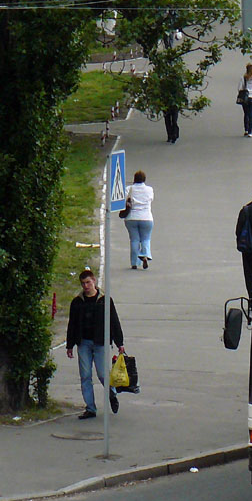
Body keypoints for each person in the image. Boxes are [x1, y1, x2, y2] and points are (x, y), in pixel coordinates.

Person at [66, 269, 125, 419]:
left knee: (103, 374)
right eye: (83, 283)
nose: (86, 286)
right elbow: (72, 324)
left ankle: (111, 393)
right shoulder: (77, 302)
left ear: (94, 282)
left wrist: (120, 343)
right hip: (83, 343)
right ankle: (90, 408)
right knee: (85, 376)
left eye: (88, 282)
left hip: (101, 342)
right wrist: (69, 344)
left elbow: (114, 321)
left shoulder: (105, 300)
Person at [125, 170, 154, 269]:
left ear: (134, 179)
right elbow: (150, 199)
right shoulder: (149, 189)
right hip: (146, 218)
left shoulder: (129, 189)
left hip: (131, 218)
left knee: (134, 240)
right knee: (146, 239)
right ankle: (145, 255)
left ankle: (134, 263)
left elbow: (124, 200)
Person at [238, 63, 252, 137]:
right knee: (251, 115)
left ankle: (246, 130)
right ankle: (250, 132)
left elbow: (239, 88)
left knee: (246, 114)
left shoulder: (243, 78)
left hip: (245, 98)